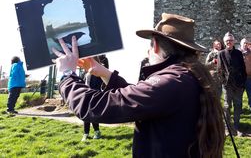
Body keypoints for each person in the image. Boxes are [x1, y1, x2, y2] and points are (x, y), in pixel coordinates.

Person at [54, 13, 225, 157]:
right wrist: (104, 73)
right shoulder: (186, 76)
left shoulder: (171, 82)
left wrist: (67, 75)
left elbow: (94, 106)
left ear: (155, 46)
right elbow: (143, 98)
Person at [217, 32, 247, 136]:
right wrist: (224, 82)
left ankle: (236, 127)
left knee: (238, 106)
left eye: (230, 40)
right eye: (227, 41)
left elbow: (243, 69)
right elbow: (219, 70)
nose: (229, 42)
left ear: (234, 41)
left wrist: (243, 83)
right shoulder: (221, 54)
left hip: (238, 85)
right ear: (224, 42)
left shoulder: (238, 53)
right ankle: (227, 128)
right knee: (227, 106)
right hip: (227, 85)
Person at [81, 56, 105, 141]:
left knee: (93, 114)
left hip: (95, 94)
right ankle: (86, 133)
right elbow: (83, 82)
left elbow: (99, 83)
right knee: (86, 114)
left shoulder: (99, 69)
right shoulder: (86, 70)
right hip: (86, 94)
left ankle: (97, 132)